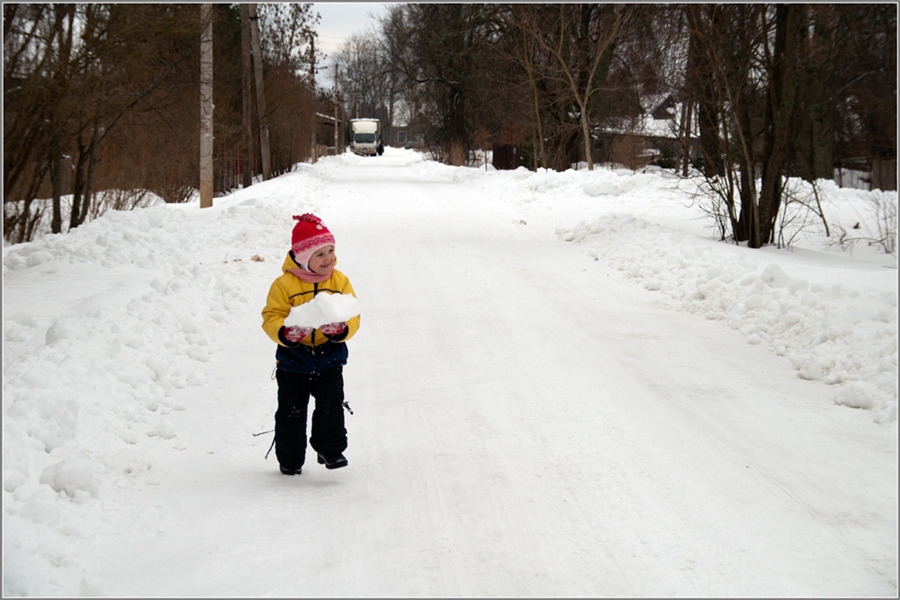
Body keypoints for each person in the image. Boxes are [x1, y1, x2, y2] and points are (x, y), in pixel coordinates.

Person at [261, 213, 360, 475]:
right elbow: (271, 316)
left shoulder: (339, 281)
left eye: (331, 251)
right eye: (320, 255)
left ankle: (330, 450)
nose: (328, 259)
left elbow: (354, 314)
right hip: (294, 359)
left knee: (331, 405)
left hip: (329, 356)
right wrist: (285, 333)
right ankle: (290, 459)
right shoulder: (284, 285)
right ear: (304, 258)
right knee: (291, 412)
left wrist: (342, 330)